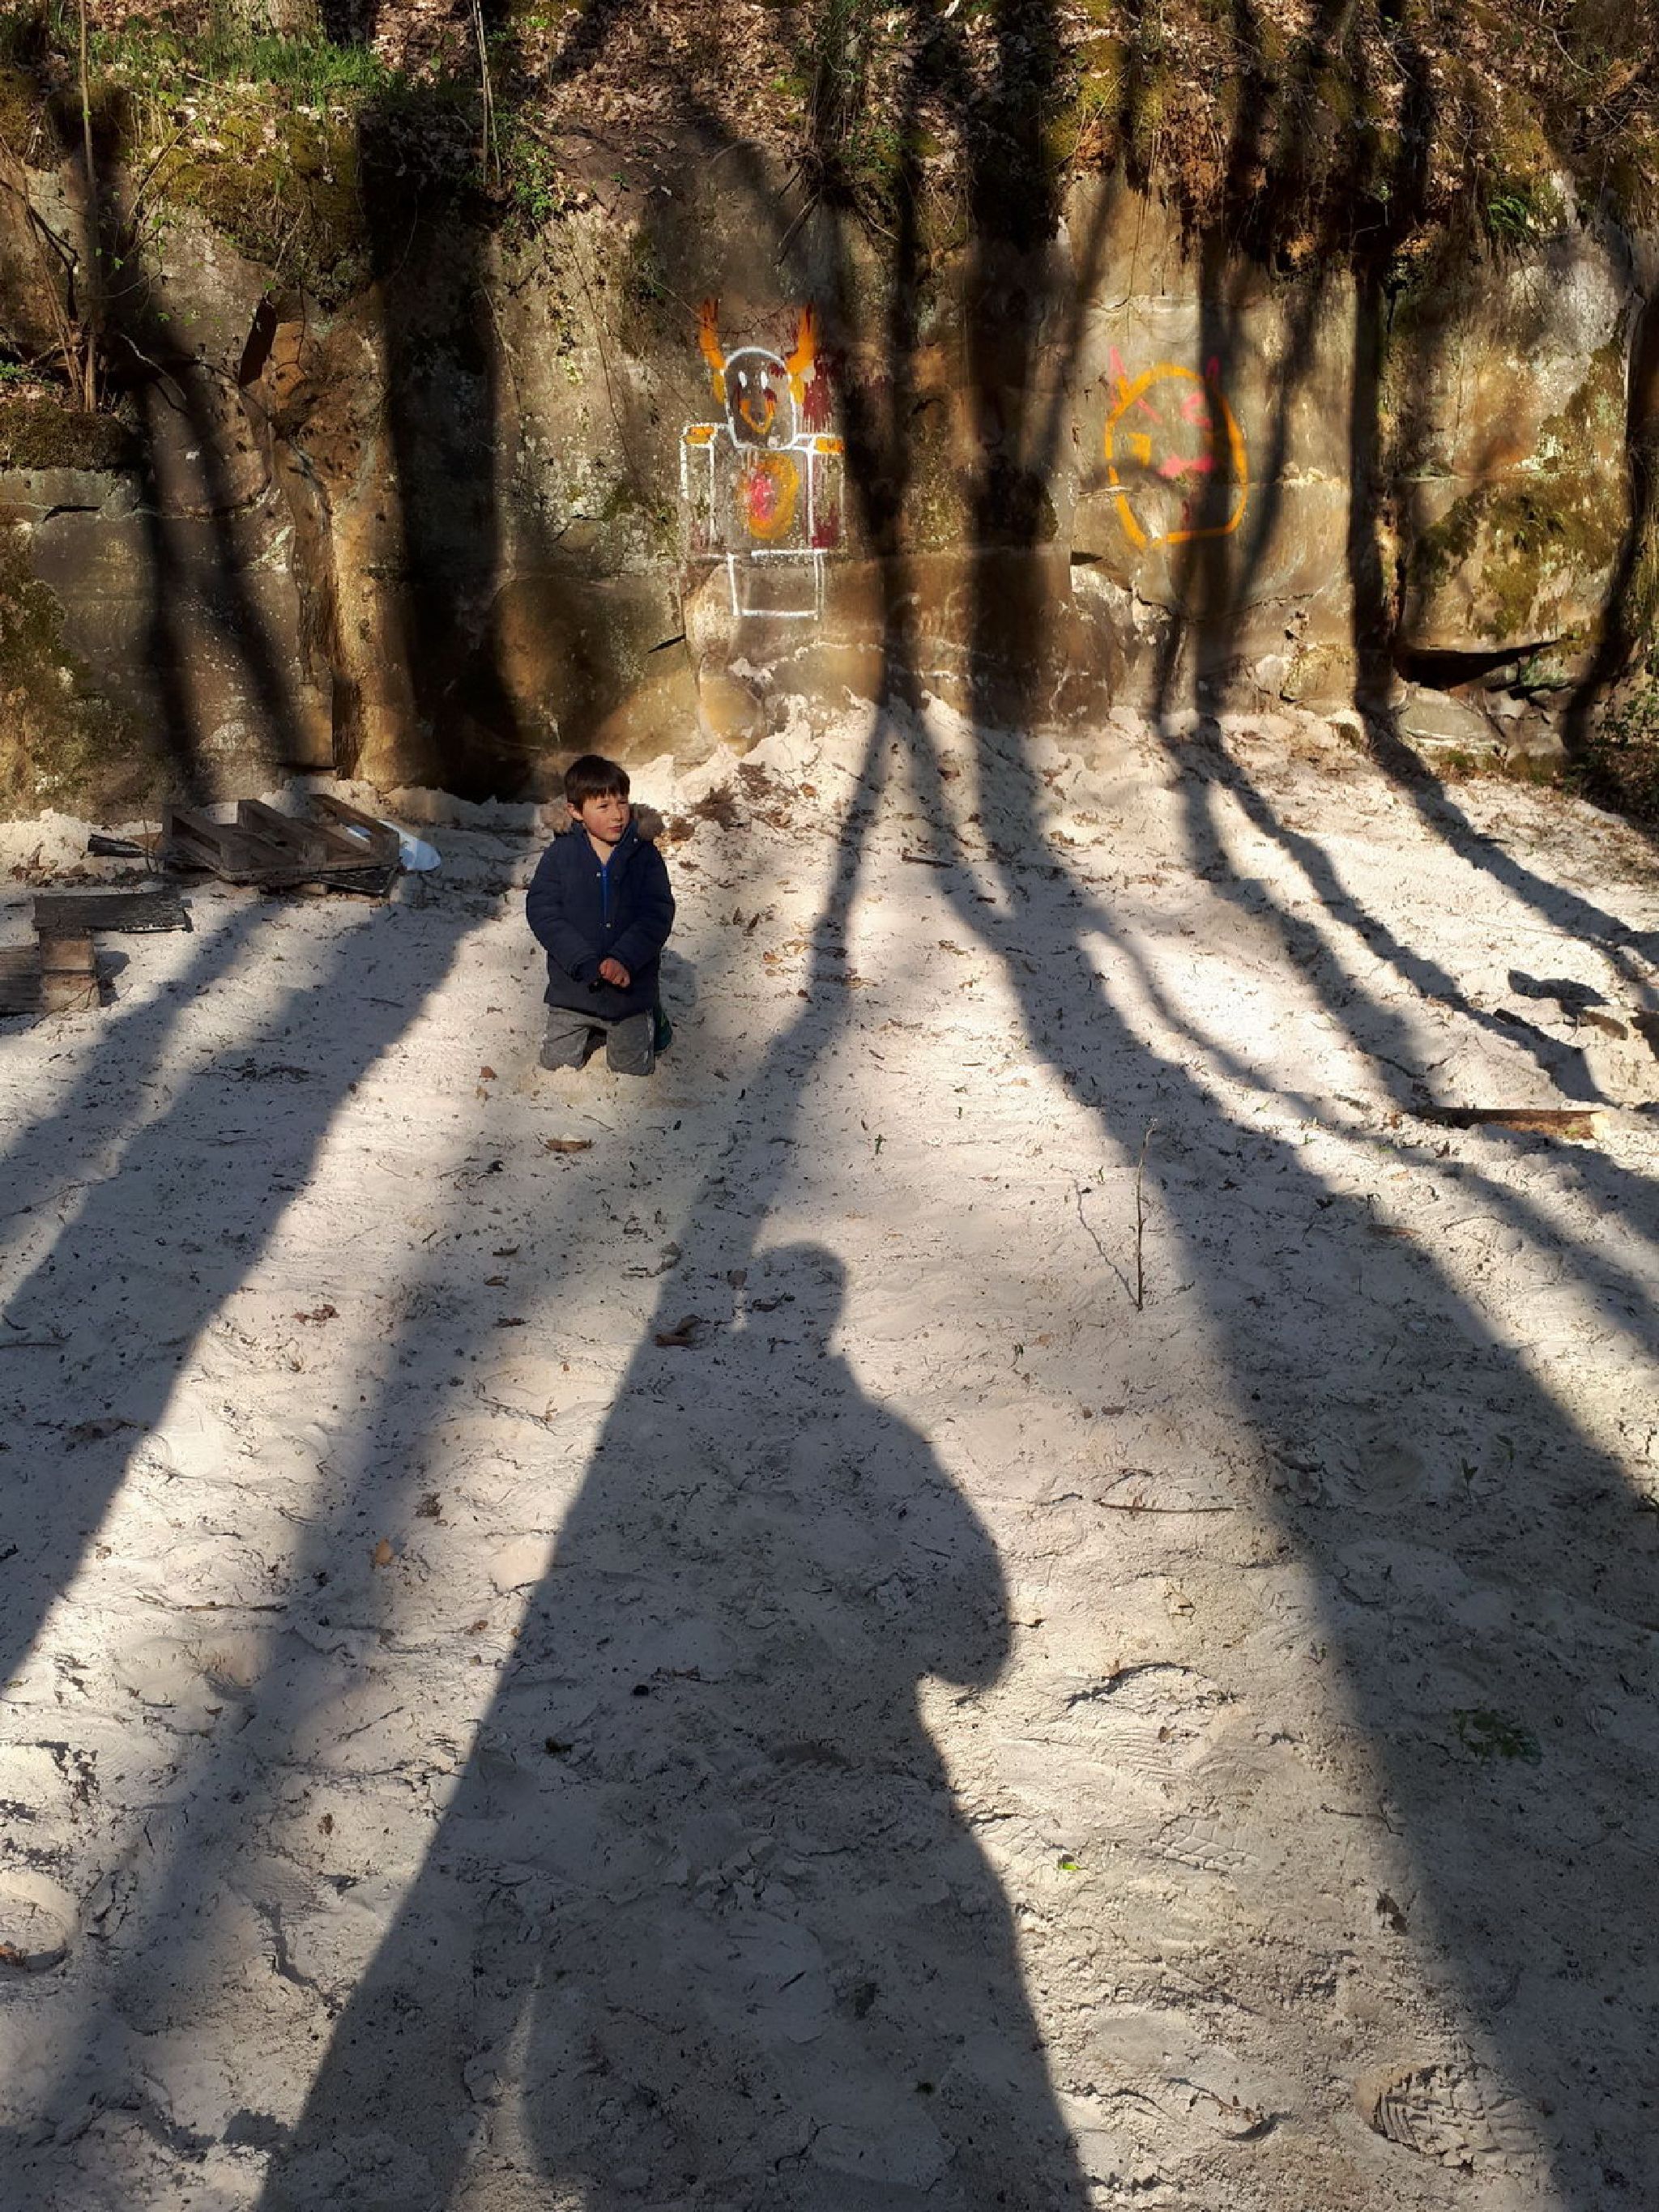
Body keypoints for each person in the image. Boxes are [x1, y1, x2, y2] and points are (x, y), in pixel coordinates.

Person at [526, 752, 674, 1077]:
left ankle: (652, 1016)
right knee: (556, 1066)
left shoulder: (644, 855)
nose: (617, 815)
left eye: (622, 803)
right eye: (603, 806)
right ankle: (591, 1028)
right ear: (576, 811)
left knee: (631, 1071)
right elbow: (543, 912)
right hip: (573, 990)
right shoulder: (560, 855)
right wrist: (581, 960)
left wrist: (625, 958)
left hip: (629, 995)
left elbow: (657, 913)